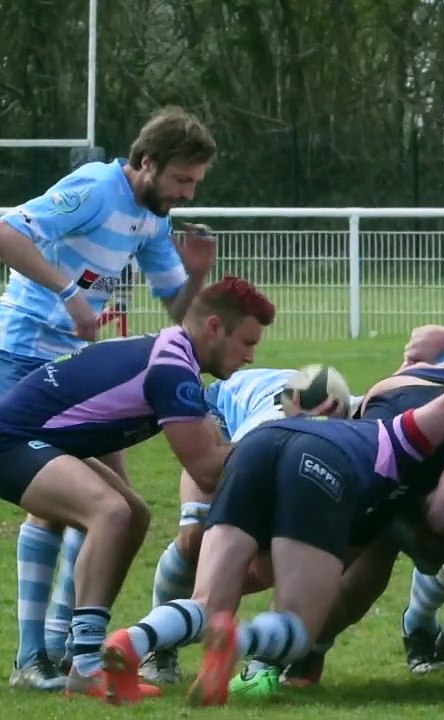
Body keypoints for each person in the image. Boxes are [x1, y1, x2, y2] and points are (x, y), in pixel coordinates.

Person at [96, 359, 444, 706]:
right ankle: (241, 643)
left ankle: (131, 643)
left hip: (256, 445)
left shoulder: (348, 422)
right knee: (298, 625)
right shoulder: (399, 437)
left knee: (207, 602)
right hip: (322, 466)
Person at [0, 107, 220, 691]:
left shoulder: (148, 219)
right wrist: (70, 293)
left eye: (195, 183)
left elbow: (179, 311)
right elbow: (6, 232)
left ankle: (63, 650)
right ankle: (38, 655)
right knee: (73, 506)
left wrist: (197, 276)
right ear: (146, 163)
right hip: (22, 357)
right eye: (180, 180)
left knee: (119, 511)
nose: (187, 194)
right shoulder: (97, 188)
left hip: (73, 369)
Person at [0, 275, 274, 699]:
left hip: (35, 437)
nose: (252, 357)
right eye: (247, 343)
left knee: (134, 515)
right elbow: (205, 468)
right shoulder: (172, 369)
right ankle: (88, 663)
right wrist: (285, 445)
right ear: (215, 328)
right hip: (11, 441)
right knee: (110, 512)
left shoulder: (173, 354)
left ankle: (74, 653)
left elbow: (215, 449)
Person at [140, 366, 356, 684]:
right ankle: (158, 649)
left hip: (293, 444)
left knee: (293, 562)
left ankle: (268, 660)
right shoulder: (259, 434)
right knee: (196, 543)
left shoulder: (354, 418)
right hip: (227, 431)